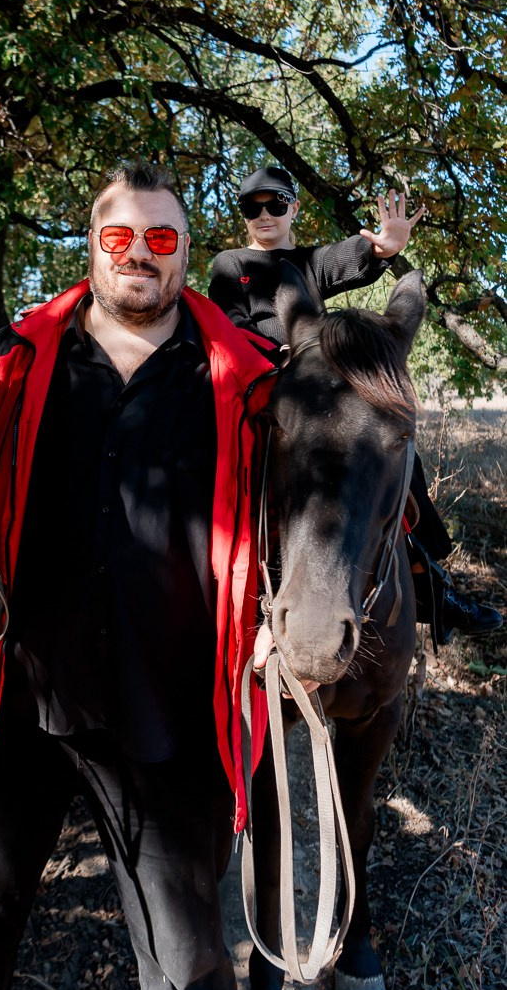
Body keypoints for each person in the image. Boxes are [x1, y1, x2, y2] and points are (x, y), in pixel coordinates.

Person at [0, 159, 277, 990]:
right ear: (92, 246)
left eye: (161, 239)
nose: (140, 256)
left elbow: (305, 510)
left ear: (188, 252)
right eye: (120, 238)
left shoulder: (254, 378)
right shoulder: (11, 358)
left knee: (190, 986)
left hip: (173, 719)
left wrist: (281, 616)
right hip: (12, 702)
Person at [209, 166, 502, 644]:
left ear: (293, 208)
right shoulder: (230, 264)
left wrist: (383, 247)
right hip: (257, 385)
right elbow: (226, 329)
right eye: (252, 207)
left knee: (394, 452)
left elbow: (345, 258)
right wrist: (281, 356)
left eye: (275, 204)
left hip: (318, 389)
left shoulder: (308, 263)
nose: (264, 215)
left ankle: (432, 583)